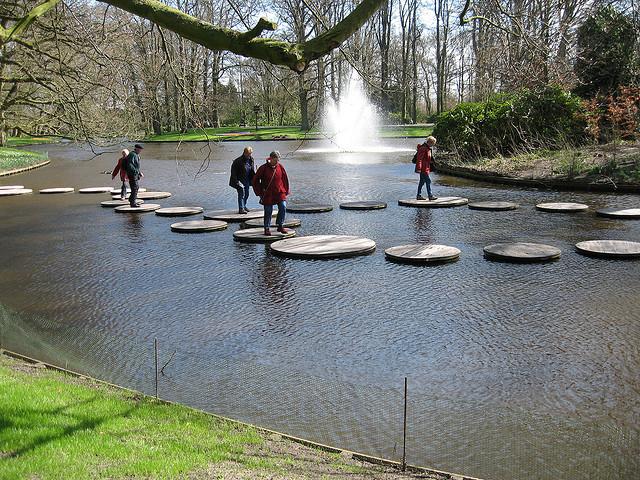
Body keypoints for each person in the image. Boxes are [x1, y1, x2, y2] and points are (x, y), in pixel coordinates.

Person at [252, 151, 289, 236]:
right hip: (267, 193)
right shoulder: (263, 168)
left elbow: (284, 179)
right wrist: (259, 192)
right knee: (268, 211)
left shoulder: (280, 167)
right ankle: (266, 228)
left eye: (278, 160)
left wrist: (285, 190)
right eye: (275, 160)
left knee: (283, 206)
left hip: (279, 192)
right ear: (271, 158)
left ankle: (280, 225)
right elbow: (255, 180)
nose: (277, 162)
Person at [228, 146, 255, 214]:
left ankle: (244, 205)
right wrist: (237, 182)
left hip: (247, 179)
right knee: (241, 193)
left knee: (247, 194)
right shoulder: (238, 161)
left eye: (250, 154)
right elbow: (233, 173)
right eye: (248, 154)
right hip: (239, 180)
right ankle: (241, 209)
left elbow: (252, 170)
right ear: (245, 153)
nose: (250, 155)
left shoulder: (251, 159)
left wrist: (255, 178)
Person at [414, 136, 437, 200]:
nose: (433, 145)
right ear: (429, 142)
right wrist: (419, 168)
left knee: (422, 182)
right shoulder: (423, 148)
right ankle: (430, 195)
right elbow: (419, 159)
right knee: (428, 181)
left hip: (426, 168)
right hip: (423, 169)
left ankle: (419, 195)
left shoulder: (427, 148)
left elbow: (427, 159)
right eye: (433, 144)